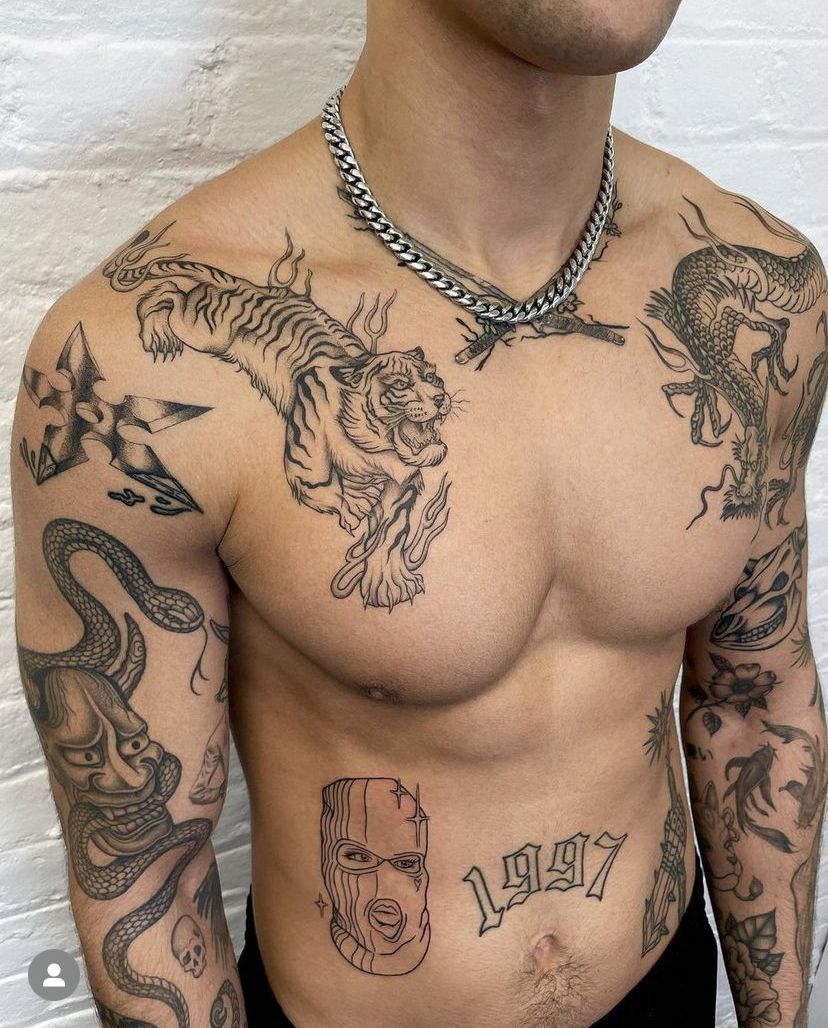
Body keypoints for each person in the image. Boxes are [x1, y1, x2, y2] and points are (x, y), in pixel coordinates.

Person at [12, 1, 827, 1026]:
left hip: (662, 982)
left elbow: (755, 701)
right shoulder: (138, 365)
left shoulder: (768, 295)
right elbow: (143, 866)